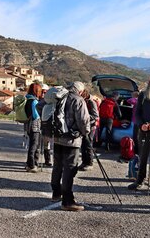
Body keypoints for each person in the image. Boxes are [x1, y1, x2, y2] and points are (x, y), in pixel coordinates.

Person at [51, 81, 90, 211]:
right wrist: (86, 133)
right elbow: (83, 120)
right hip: (71, 141)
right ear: (79, 91)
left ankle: (56, 193)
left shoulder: (59, 96)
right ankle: (67, 201)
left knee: (57, 166)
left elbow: (41, 108)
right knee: (69, 169)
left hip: (56, 137)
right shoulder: (78, 100)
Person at [79, 89, 99, 171]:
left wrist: (85, 117)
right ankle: (84, 162)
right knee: (83, 144)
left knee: (88, 144)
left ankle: (90, 163)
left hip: (91, 126)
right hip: (84, 126)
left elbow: (95, 116)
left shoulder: (91, 102)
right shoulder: (83, 101)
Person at [25, 83, 42, 173]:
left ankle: (30, 164)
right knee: (34, 146)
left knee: (32, 145)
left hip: (29, 126)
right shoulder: (34, 101)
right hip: (35, 126)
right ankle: (31, 165)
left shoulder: (28, 99)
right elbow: (36, 115)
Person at [36, 83, 52, 167]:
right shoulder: (36, 101)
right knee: (37, 144)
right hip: (38, 125)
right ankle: (36, 160)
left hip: (46, 126)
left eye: (45, 92)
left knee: (47, 144)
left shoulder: (49, 102)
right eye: (41, 92)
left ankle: (47, 160)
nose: (43, 94)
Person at [127, 91, 140, 155]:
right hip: (137, 121)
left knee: (136, 137)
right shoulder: (140, 101)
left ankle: (136, 151)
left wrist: (134, 97)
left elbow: (129, 100)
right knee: (136, 136)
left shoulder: (136, 101)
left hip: (136, 121)